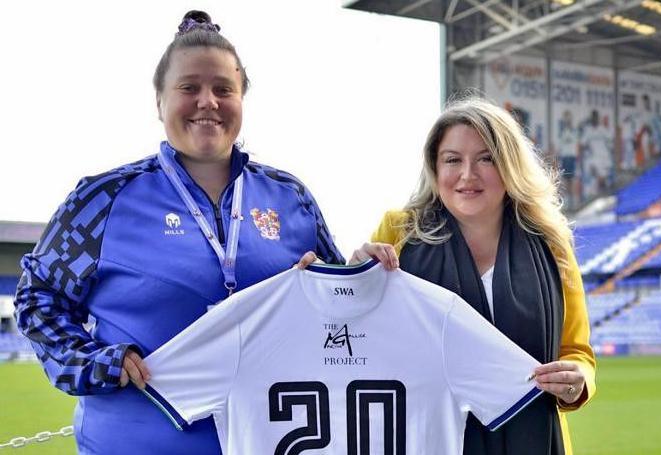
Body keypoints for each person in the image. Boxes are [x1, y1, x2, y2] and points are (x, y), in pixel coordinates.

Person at [14, 11, 343, 455]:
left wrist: (347, 277)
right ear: (159, 101)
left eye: (223, 89)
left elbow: (341, 310)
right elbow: (37, 297)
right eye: (189, 87)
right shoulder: (102, 199)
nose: (208, 101)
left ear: (242, 100)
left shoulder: (291, 198)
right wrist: (92, 362)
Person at [358, 97, 596, 455]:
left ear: (509, 166)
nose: (467, 175)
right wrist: (355, 280)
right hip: (428, 439)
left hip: (534, 439)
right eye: (452, 160)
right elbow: (358, 338)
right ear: (435, 168)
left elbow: (576, 351)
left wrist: (577, 381)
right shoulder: (398, 231)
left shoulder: (551, 245)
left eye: (486, 158)